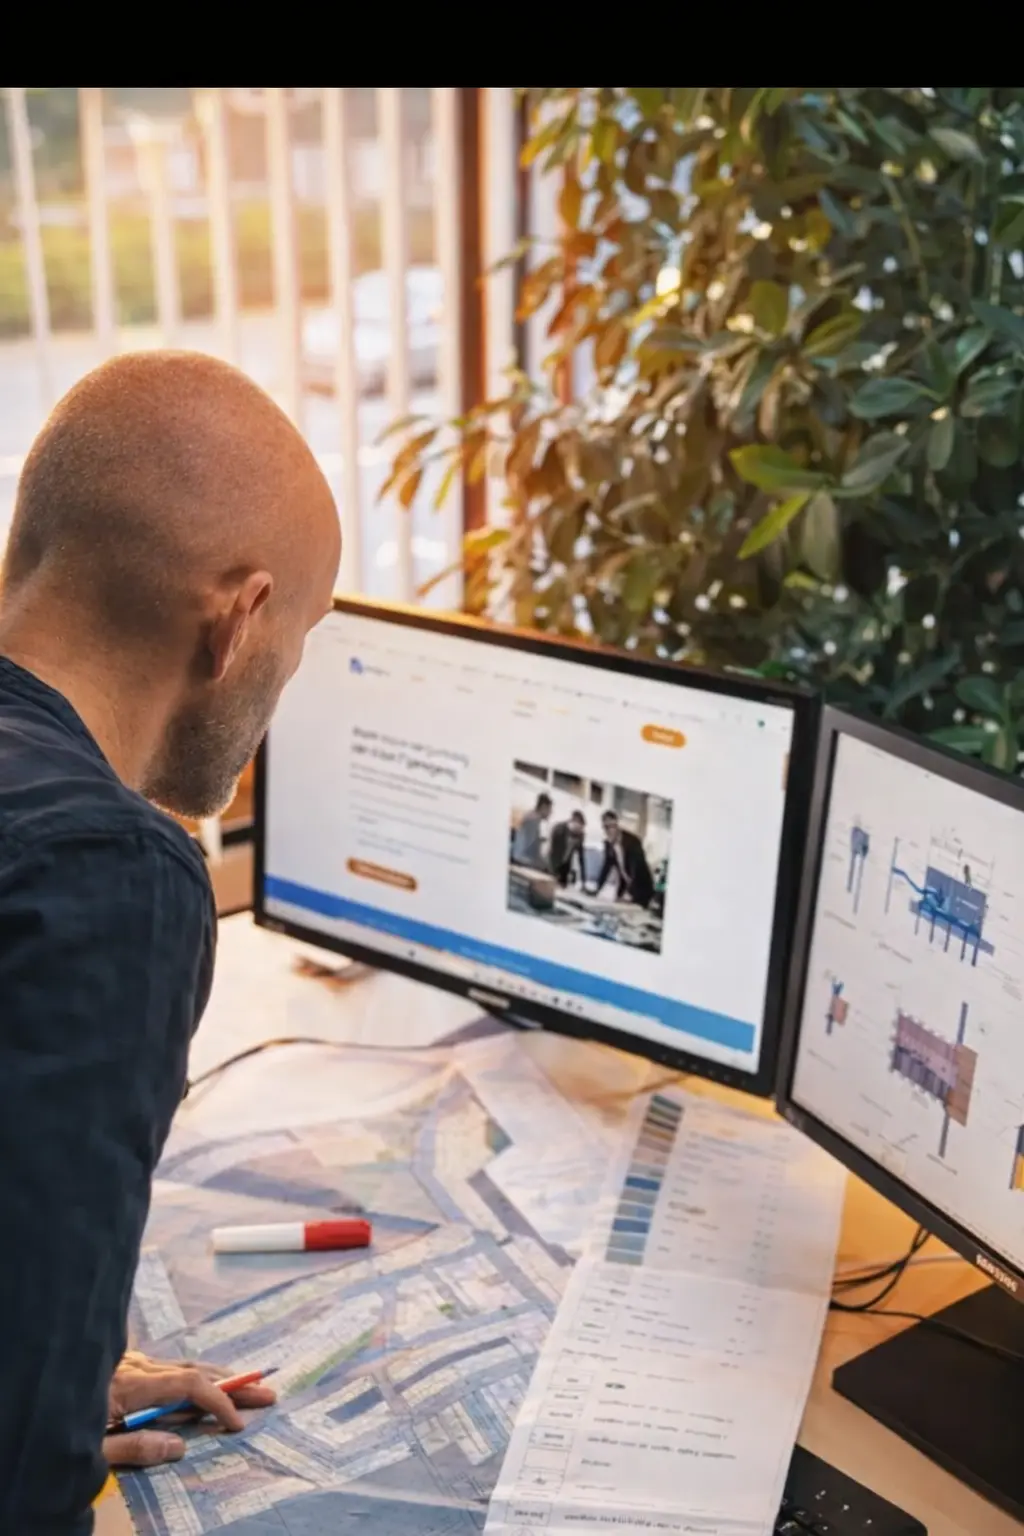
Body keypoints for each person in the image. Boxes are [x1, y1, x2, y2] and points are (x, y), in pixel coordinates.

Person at [0, 351, 341, 1533]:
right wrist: (34, 1414)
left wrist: (54, 1361)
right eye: (295, 642)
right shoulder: (107, 875)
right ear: (240, 623)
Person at [594, 810, 655, 908]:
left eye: (610, 827)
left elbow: (636, 869)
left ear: (616, 826)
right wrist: (596, 890)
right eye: (605, 828)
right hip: (625, 886)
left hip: (641, 888)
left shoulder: (632, 842)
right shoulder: (609, 844)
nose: (608, 831)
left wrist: (629, 894)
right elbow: (606, 868)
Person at [511, 791, 552, 869]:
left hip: (521, 857)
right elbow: (532, 849)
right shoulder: (534, 820)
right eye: (549, 810)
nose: (550, 813)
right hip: (523, 860)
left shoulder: (530, 815)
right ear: (543, 807)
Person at [549, 808, 587, 888]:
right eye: (579, 828)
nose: (580, 831)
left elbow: (581, 858)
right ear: (573, 822)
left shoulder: (580, 836)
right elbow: (553, 853)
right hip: (552, 863)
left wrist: (584, 881)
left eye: (581, 829)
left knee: (562, 886)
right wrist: (554, 873)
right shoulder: (559, 829)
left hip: (565, 866)